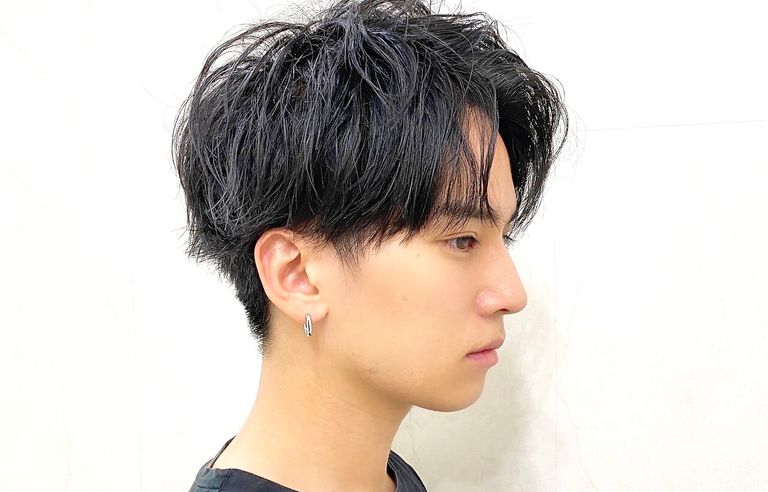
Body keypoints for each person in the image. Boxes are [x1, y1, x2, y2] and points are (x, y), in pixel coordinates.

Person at [173, 0, 568, 490]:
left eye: (501, 237)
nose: (511, 294)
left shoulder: (388, 478)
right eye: (462, 239)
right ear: (297, 274)